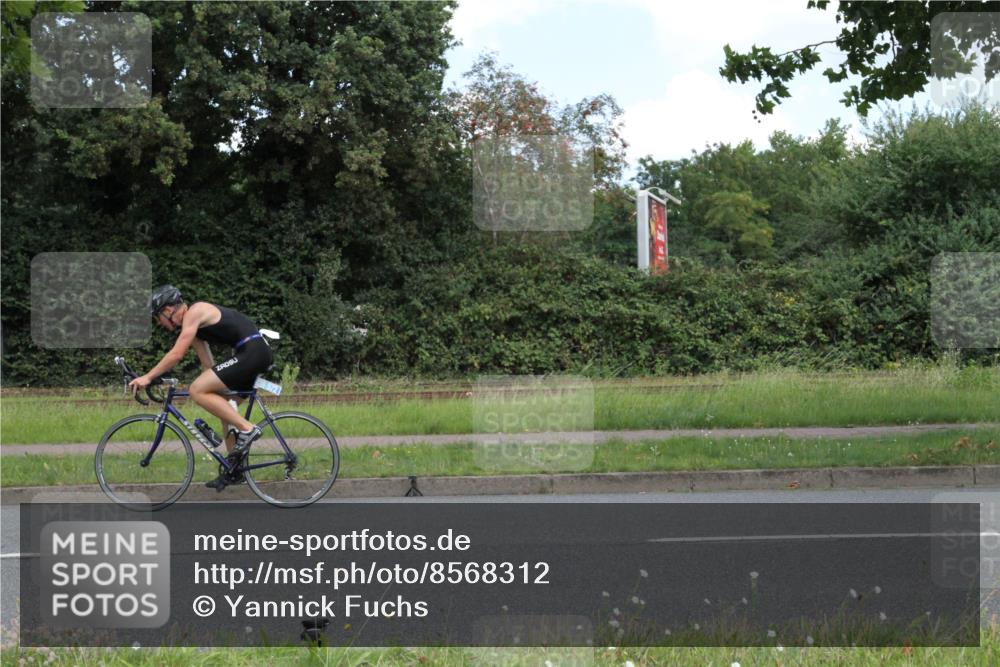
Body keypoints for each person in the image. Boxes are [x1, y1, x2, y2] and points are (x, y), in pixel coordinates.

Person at [132, 284, 273, 490]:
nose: (159, 323)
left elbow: (176, 354)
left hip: (252, 351)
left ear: (168, 310)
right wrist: (215, 391)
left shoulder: (195, 312)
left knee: (196, 390)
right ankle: (235, 470)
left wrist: (147, 376)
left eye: (158, 318)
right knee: (224, 406)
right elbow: (208, 366)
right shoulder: (196, 330)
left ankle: (249, 429)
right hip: (252, 353)